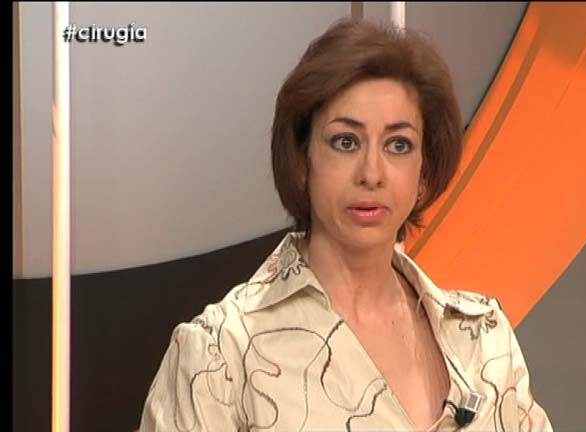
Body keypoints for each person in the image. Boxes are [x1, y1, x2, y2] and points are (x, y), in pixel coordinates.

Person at [140, 17, 553, 432]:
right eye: (346, 142)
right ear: (303, 160)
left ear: (424, 172)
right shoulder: (222, 355)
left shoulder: (484, 340)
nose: (371, 173)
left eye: (398, 145)